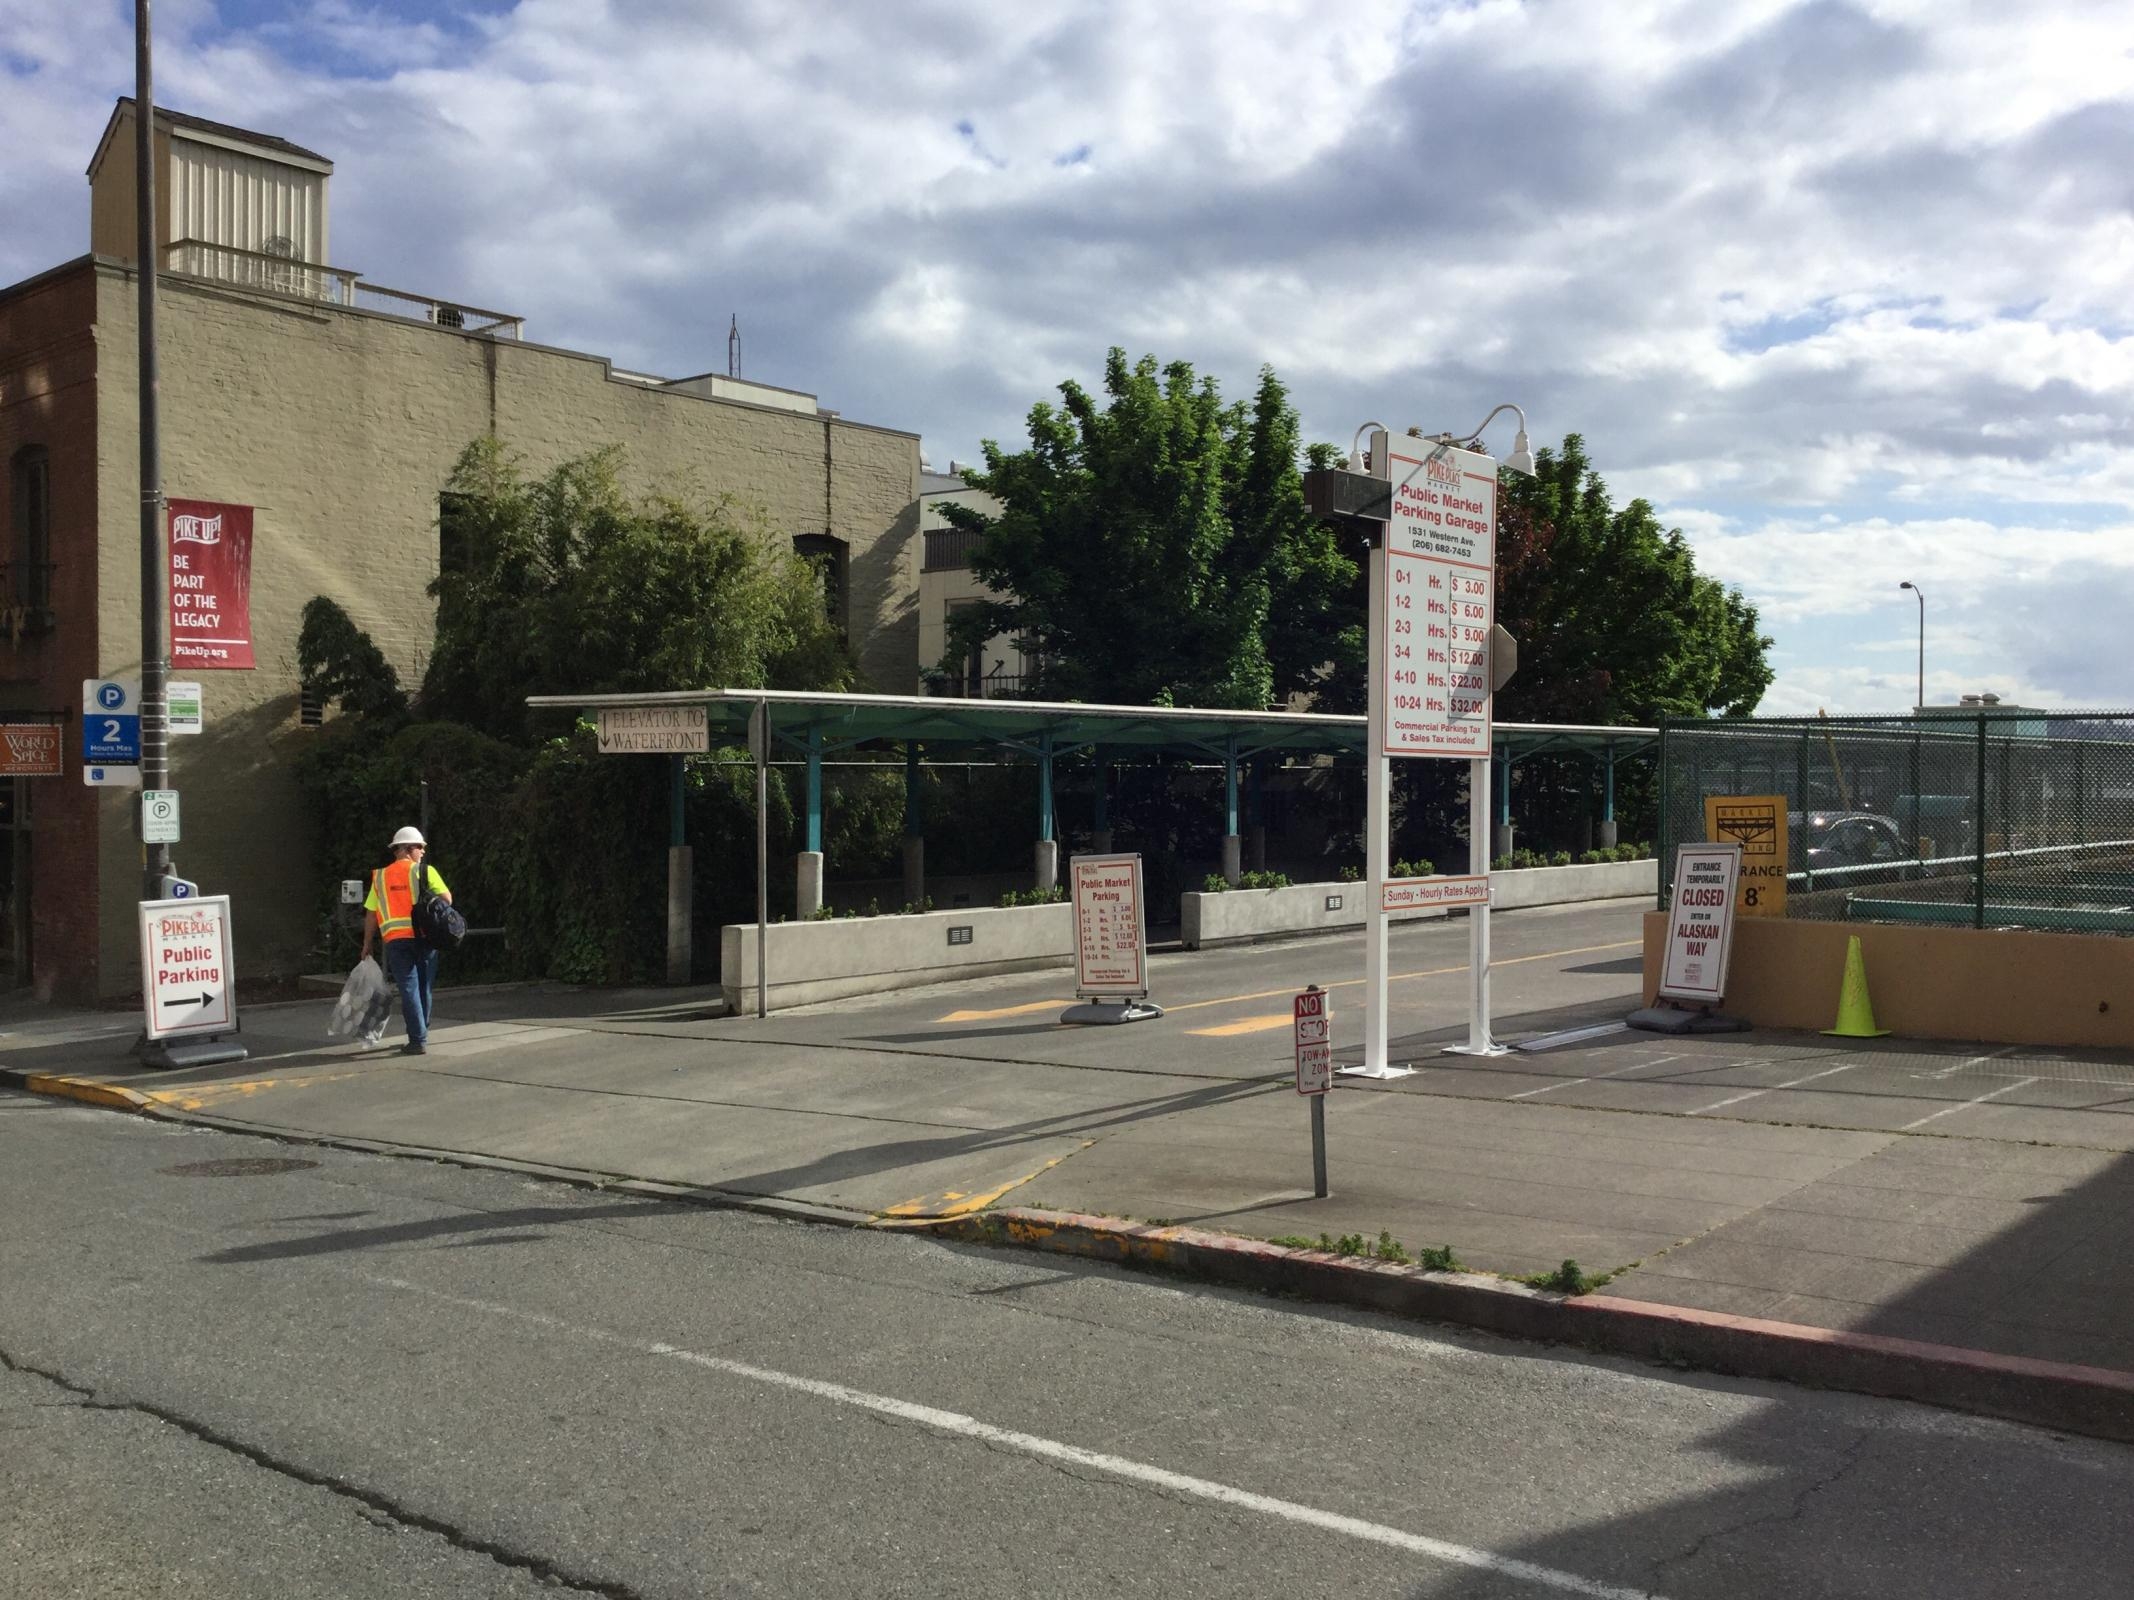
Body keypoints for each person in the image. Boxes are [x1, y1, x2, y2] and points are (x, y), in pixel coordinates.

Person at [359, 825, 452, 1056]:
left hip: (396, 941)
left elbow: (371, 913)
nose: (422, 852)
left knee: (409, 988)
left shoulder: (380, 877)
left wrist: (367, 943)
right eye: (420, 847)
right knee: (424, 987)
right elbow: (446, 899)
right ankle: (420, 1034)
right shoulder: (425, 871)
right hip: (424, 937)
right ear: (409, 849)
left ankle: (417, 1037)